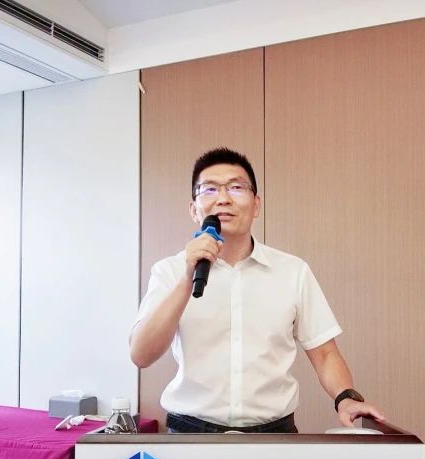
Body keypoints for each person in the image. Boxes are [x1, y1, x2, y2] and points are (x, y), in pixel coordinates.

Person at [130, 147, 385, 433]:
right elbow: (141, 354)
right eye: (209, 189)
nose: (223, 198)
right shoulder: (169, 271)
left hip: (274, 435)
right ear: (193, 209)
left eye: (236, 187)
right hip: (190, 433)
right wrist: (187, 278)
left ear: (256, 205)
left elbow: (325, 352)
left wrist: (345, 398)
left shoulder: (292, 271)